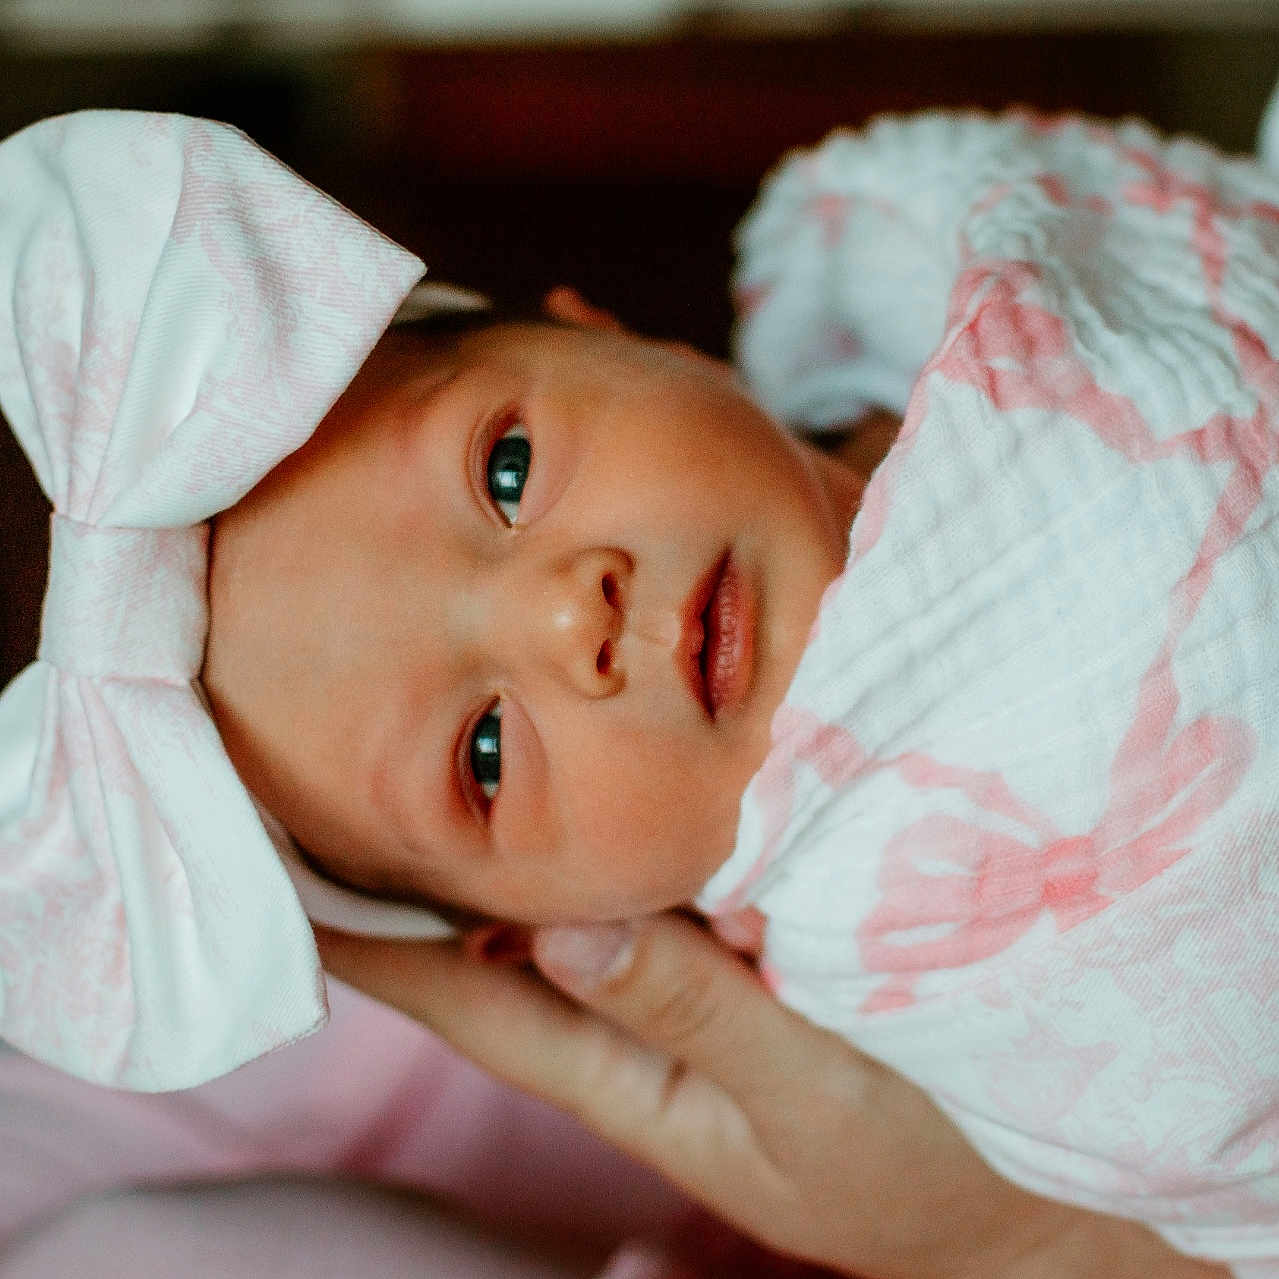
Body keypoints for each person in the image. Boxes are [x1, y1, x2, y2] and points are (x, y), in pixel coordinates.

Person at [0, 106, 1273, 1274]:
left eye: (505, 473)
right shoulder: (925, 1025)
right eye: (483, 754)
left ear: (619, 337)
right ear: (535, 936)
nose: (571, 613)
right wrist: (1035, 1243)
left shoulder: (908, 283)